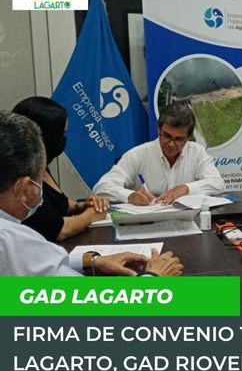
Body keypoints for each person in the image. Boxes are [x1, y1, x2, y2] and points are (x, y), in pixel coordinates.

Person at [0, 112, 182, 277]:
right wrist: (154, 276)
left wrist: (93, 262)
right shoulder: (12, 242)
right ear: (24, 189)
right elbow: (86, 300)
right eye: (40, 181)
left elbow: (40, 263)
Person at [12, 97, 108, 242]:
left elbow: (60, 203)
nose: (64, 140)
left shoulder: (41, 165)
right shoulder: (21, 174)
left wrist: (82, 206)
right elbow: (59, 229)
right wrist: (91, 215)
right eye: (62, 134)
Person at [93, 103, 225, 205]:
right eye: (167, 136)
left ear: (188, 137)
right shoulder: (138, 154)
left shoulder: (196, 152)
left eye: (179, 139)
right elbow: (101, 187)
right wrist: (129, 196)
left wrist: (185, 188)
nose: (171, 144)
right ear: (158, 129)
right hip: (145, 224)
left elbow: (218, 184)